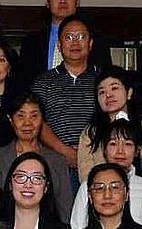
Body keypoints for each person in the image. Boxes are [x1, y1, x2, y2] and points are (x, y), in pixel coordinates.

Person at [0, 92, 74, 221]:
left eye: (34, 116)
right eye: (20, 116)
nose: (27, 123)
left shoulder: (57, 161)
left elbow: (65, 207)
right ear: (10, 120)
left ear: (42, 121)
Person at [17, 0, 111, 89]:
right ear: (47, 3)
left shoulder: (96, 40)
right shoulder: (31, 42)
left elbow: (106, 80)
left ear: (77, 2)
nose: (62, 0)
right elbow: (23, 82)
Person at [32, 16, 99, 177]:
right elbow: (36, 121)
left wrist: (85, 153)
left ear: (90, 44)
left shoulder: (103, 80)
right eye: (68, 37)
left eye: (81, 37)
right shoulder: (43, 81)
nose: (75, 42)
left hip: (98, 163)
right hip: (55, 164)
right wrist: (65, 151)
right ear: (59, 45)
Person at [76, 67, 142, 182]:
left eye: (114, 88)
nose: (108, 95)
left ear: (129, 92)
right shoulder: (91, 133)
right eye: (102, 92)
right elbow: (85, 178)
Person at [69, 119, 142, 229]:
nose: (120, 151)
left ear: (137, 150)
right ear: (104, 150)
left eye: (127, 144)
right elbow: (77, 227)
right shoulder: (89, 186)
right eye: (113, 144)